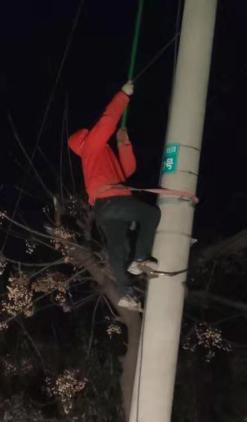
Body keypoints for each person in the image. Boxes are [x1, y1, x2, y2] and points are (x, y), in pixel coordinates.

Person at [68, 80, 160, 311]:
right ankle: (140, 258)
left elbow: (126, 171)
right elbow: (107, 121)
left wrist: (123, 143)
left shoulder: (99, 156)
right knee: (150, 214)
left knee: (118, 248)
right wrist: (123, 95)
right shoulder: (92, 147)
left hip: (104, 209)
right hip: (112, 202)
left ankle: (127, 293)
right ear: (84, 138)